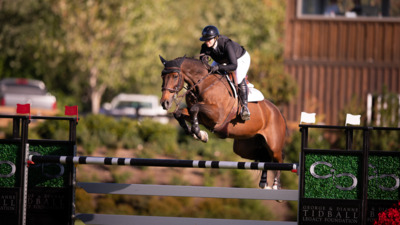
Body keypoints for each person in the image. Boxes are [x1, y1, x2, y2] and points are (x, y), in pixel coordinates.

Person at [199, 25, 251, 121]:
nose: (207, 42)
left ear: (215, 38)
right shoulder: (205, 46)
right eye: (205, 40)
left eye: (209, 40)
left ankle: (245, 108)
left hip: (239, 59)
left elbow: (233, 66)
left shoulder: (226, 44)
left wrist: (219, 67)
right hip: (222, 59)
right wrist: (204, 60)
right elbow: (202, 60)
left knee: (238, 78)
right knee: (209, 73)